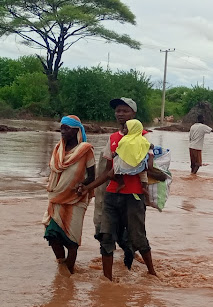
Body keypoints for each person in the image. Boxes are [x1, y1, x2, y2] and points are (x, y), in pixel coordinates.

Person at [80, 97, 158, 281]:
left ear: (133, 114)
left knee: (138, 237)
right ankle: (107, 281)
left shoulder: (144, 137)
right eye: (118, 111)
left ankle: (152, 273)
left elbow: (149, 165)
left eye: (125, 111)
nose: (120, 114)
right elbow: (107, 172)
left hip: (134, 196)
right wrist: (87, 188)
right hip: (112, 196)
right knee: (106, 236)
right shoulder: (113, 138)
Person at [42, 115, 95, 275]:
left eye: (66, 128)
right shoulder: (58, 149)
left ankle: (68, 275)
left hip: (75, 199)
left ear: (76, 130)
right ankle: (62, 267)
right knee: (51, 234)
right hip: (57, 198)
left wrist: (82, 185)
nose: (62, 130)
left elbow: (92, 176)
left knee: (72, 240)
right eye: (62, 127)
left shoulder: (86, 150)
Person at [111, 119, 153, 196]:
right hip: (138, 163)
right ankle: (144, 186)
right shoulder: (142, 139)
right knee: (143, 174)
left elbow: (119, 150)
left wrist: (115, 154)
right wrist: (151, 147)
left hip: (126, 163)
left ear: (132, 129)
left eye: (126, 128)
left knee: (116, 168)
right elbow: (148, 146)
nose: (123, 130)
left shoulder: (124, 140)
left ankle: (121, 183)